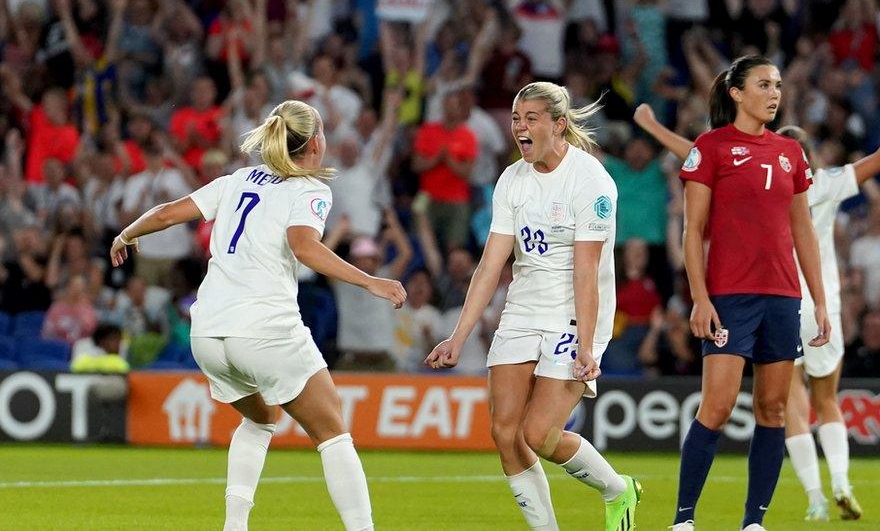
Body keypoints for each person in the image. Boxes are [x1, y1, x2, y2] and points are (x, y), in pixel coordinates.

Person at [635, 86, 880, 523]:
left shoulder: (752, 171)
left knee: (785, 405)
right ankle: (840, 485)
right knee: (823, 400)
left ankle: (812, 498)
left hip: (766, 295)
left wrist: (653, 126)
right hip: (816, 302)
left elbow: (697, 153)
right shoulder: (827, 183)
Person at [109, 100, 406, 531]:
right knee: (332, 430)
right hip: (263, 328)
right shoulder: (310, 190)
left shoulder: (237, 180)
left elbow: (168, 213)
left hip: (208, 333)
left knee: (262, 417)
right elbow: (304, 246)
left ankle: (235, 526)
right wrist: (370, 281)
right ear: (316, 143)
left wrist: (125, 234)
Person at [425, 81, 641, 531]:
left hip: (574, 314)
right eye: (516, 119)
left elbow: (587, 271)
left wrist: (587, 344)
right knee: (505, 433)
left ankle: (617, 489)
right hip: (522, 310)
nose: (520, 128)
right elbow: (490, 265)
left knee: (538, 435)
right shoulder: (511, 179)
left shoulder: (592, 181)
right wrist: (459, 336)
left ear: (559, 125)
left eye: (531, 119)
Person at [639, 55, 832, 531]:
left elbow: (803, 231)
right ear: (736, 93)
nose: (774, 93)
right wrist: (700, 298)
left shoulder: (790, 154)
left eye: (778, 85)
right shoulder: (710, 147)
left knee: (773, 408)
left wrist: (820, 300)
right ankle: (684, 520)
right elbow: (692, 231)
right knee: (719, 406)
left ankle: (754, 522)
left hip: (783, 297)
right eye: (764, 85)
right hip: (730, 297)